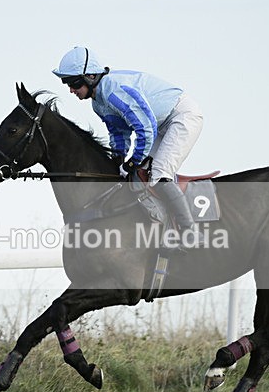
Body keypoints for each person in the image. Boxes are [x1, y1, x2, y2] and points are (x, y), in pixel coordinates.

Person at [52, 46, 205, 247]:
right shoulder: (98, 103)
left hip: (181, 117)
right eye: (67, 84)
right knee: (140, 175)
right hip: (161, 125)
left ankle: (190, 233)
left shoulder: (114, 89)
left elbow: (145, 128)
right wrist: (118, 159)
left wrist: (132, 161)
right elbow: (119, 133)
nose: (71, 90)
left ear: (90, 77)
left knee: (158, 174)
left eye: (74, 83)